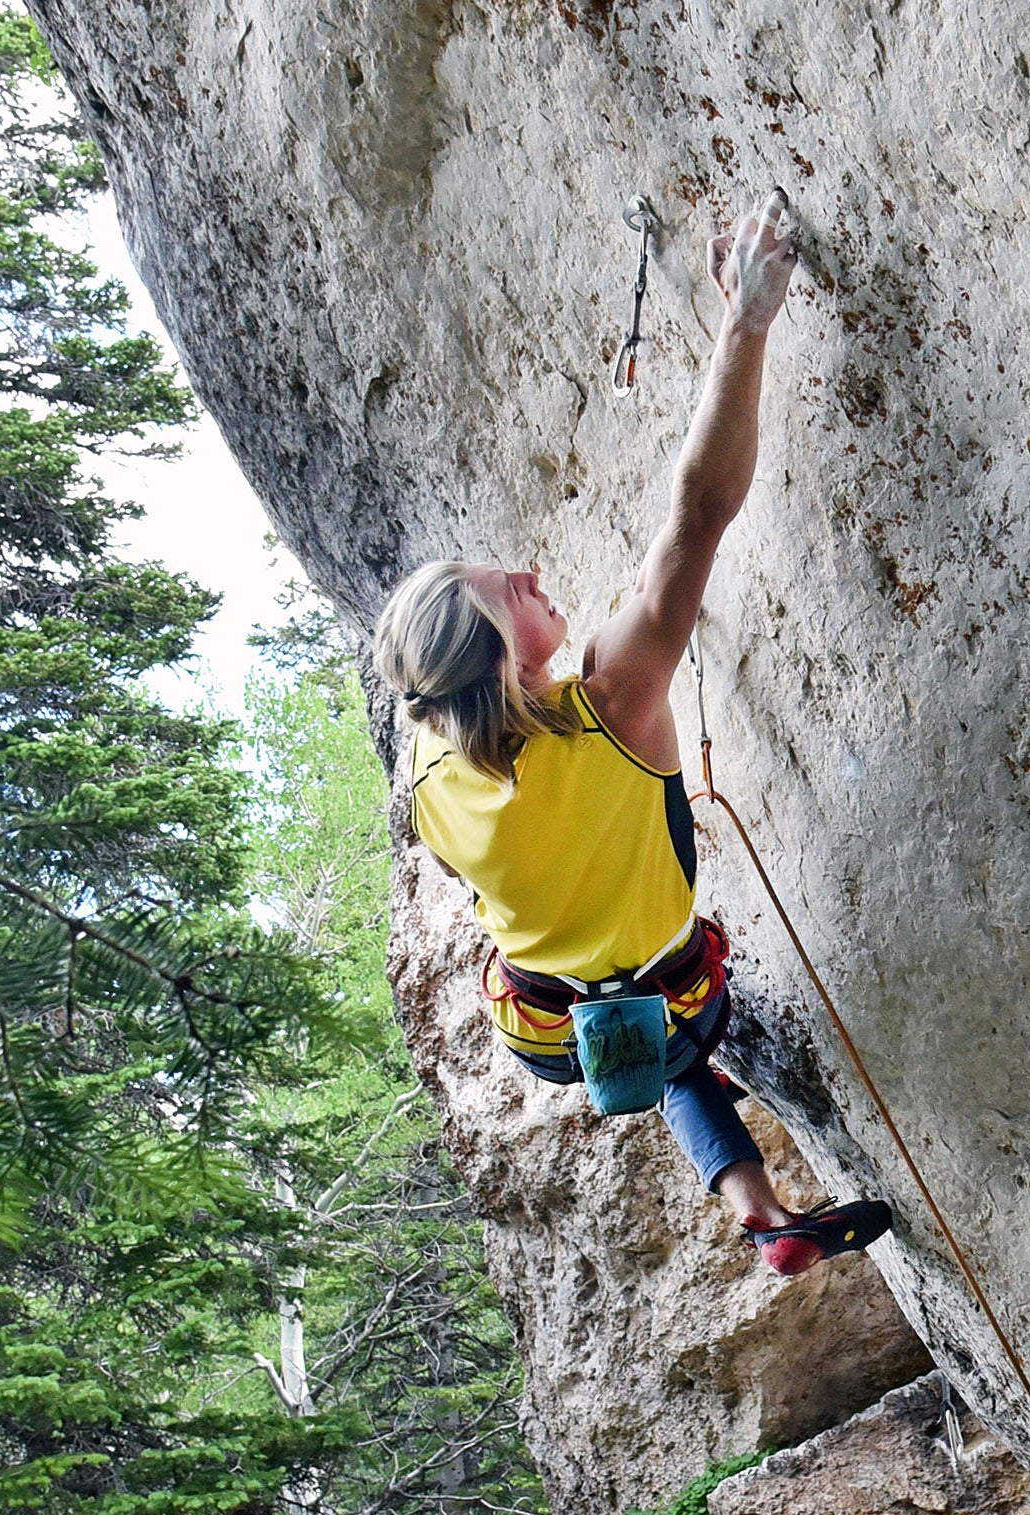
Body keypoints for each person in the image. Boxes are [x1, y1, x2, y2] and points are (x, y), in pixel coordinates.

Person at [375, 188, 891, 1276]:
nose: (527, 572)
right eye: (507, 588)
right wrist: (745, 319)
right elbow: (696, 513)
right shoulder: (614, 703)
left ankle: (759, 1212)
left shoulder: (425, 771)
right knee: (672, 1023)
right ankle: (749, 1187)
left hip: (554, 1035)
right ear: (505, 656)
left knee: (661, 1049)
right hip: (667, 993)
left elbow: (437, 702)